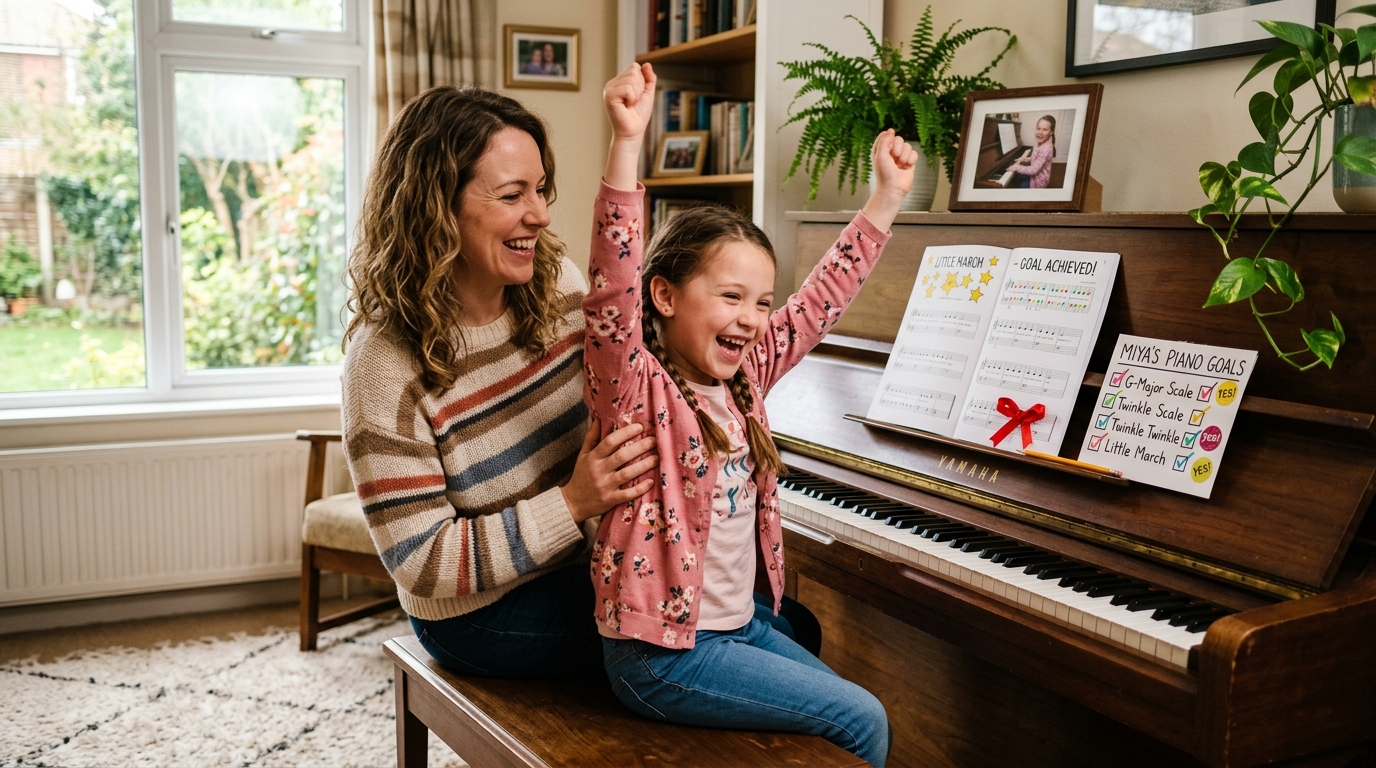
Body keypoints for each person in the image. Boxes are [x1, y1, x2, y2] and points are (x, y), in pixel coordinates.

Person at [581, 62, 916, 767]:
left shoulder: (744, 381)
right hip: (662, 654)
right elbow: (613, 285)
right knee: (864, 720)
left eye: (762, 302)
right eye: (731, 297)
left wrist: (885, 198)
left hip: (735, 628)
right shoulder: (636, 390)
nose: (754, 319)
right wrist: (626, 140)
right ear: (666, 298)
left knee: (846, 714)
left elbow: (821, 301)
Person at [340, 85, 662, 679]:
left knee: (769, 621)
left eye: (540, 190)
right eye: (513, 194)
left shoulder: (555, 284)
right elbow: (420, 560)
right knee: (708, 642)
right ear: (437, 206)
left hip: (581, 563)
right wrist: (573, 503)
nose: (539, 214)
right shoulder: (383, 363)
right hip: (477, 615)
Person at [1011, 115, 1056, 189]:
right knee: (1016, 179)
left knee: (1019, 188)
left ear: (1051, 132)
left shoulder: (1046, 149)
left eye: (1045, 129)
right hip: (1034, 174)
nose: (1040, 132)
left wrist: (1016, 167)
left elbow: (1033, 170)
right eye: (1038, 128)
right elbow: (1035, 157)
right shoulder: (1040, 142)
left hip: (1037, 182)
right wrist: (1025, 159)